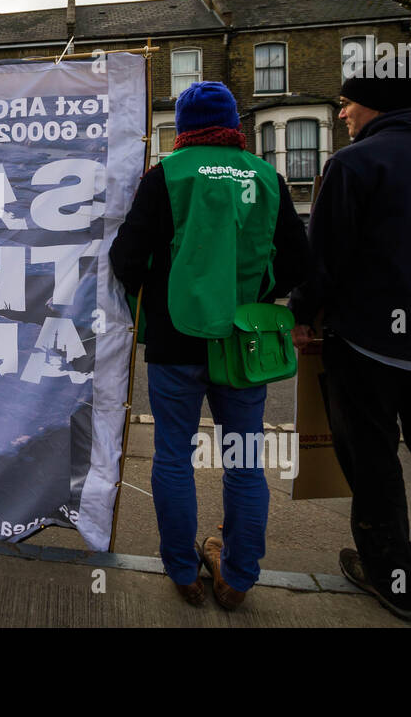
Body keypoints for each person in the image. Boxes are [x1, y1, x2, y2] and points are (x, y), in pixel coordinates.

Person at [289, 71, 411, 622]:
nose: (342, 115)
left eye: (347, 105)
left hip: (370, 341)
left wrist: (304, 315)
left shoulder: (351, 165)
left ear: (371, 107)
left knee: (373, 458)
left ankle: (394, 578)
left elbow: (324, 258)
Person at [110, 82, 309, 610]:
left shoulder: (166, 177)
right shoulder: (268, 176)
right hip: (244, 341)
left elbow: (125, 258)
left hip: (176, 340)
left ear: (184, 126)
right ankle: (238, 577)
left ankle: (182, 570)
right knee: (244, 460)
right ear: (234, 125)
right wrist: (259, 293)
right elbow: (297, 262)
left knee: (173, 456)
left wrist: (154, 294)